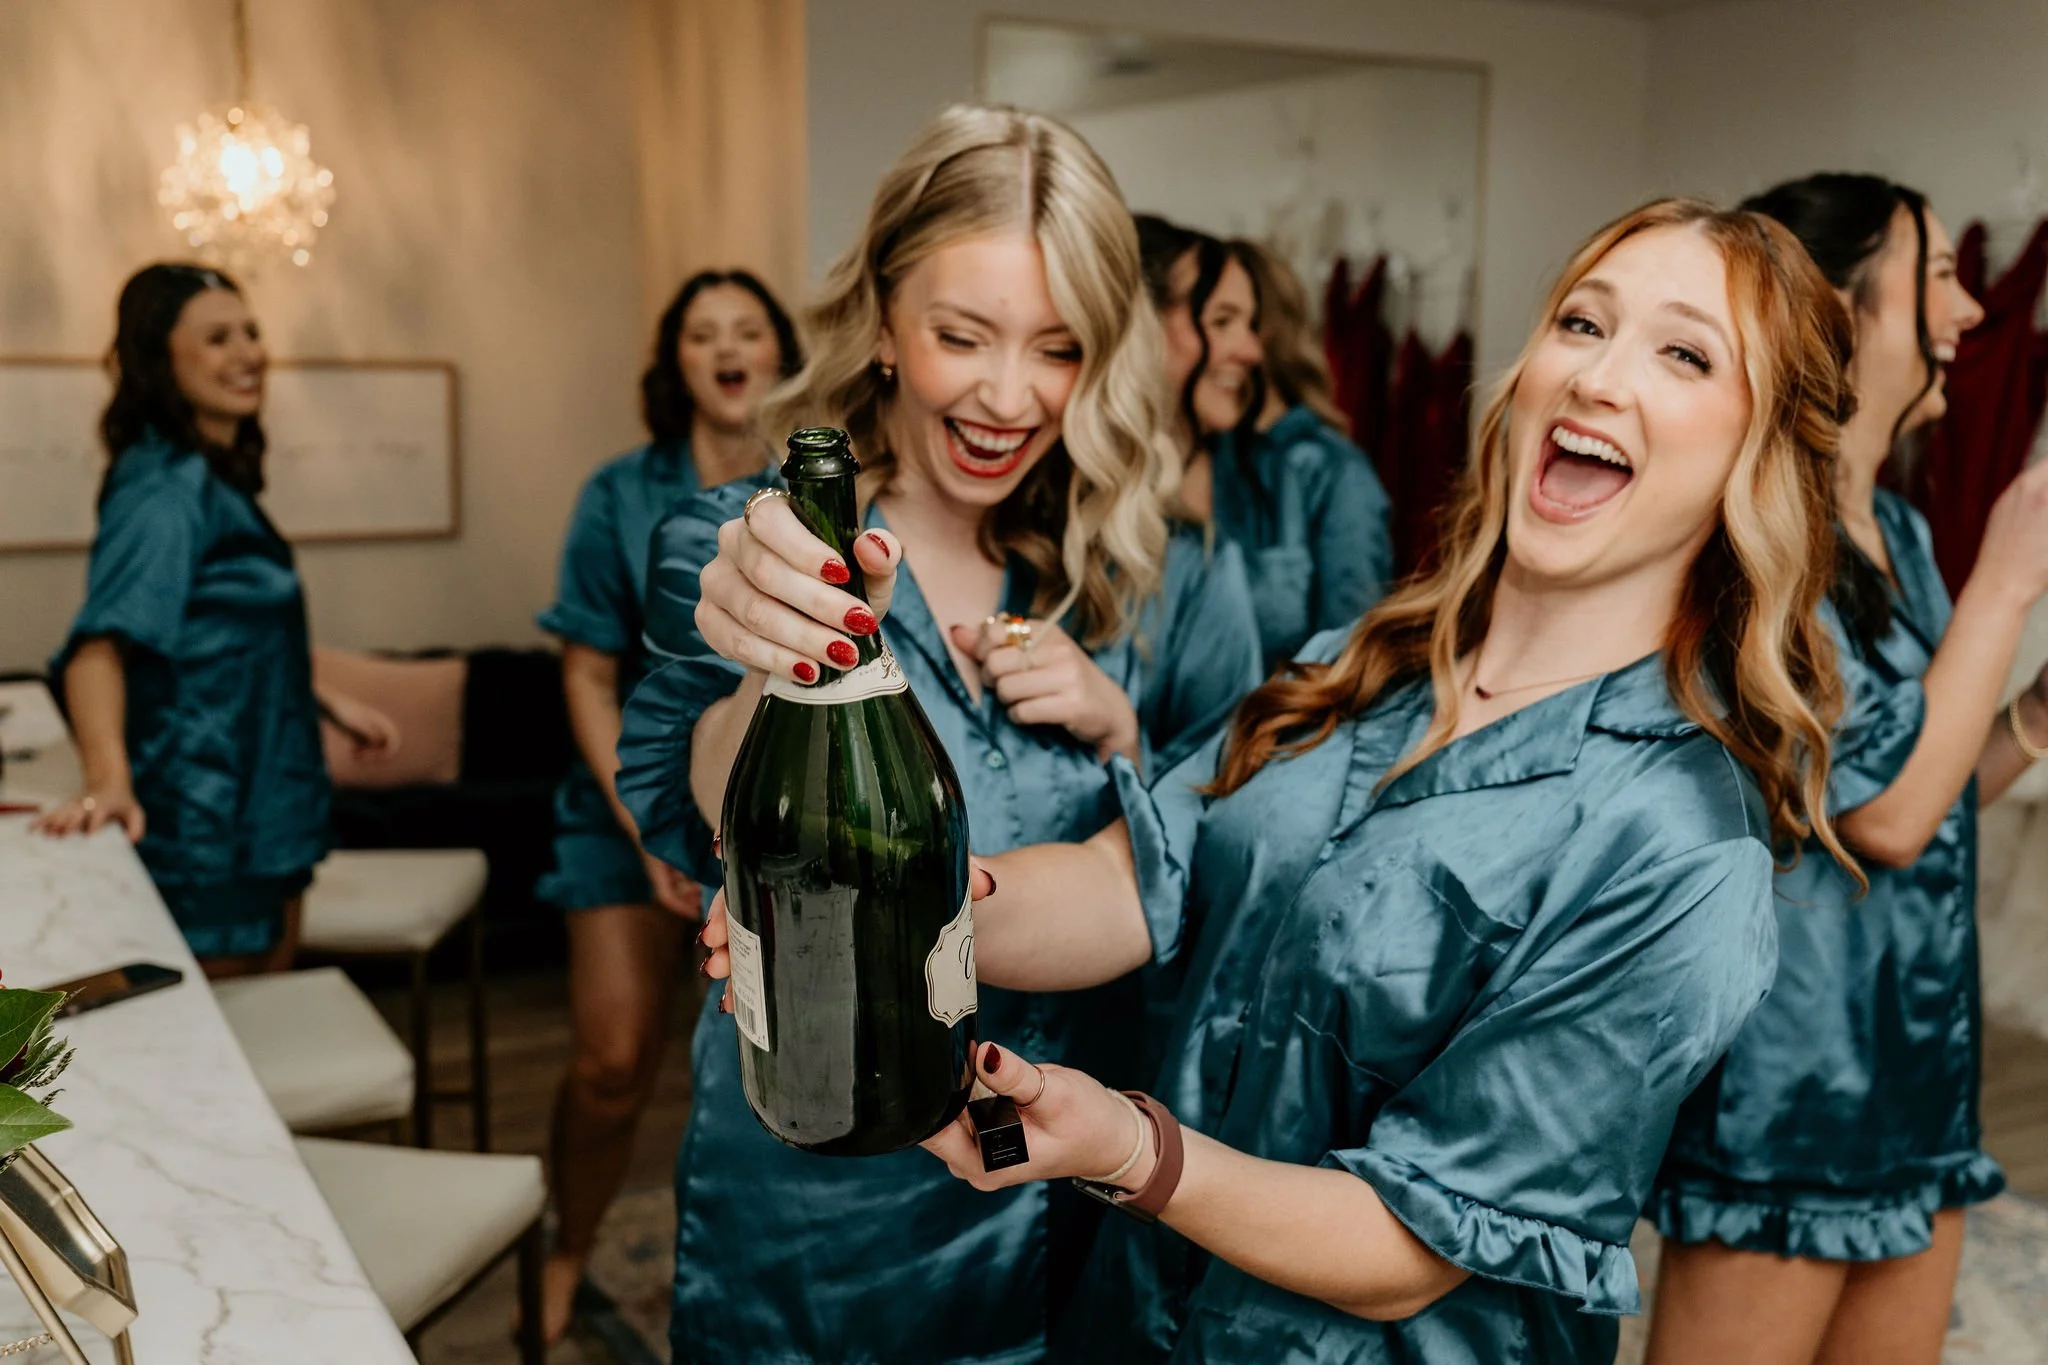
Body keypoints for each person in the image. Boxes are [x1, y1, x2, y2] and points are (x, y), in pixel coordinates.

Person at [698, 196, 1862, 1360]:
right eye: (1579, 324)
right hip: (1137, 1318)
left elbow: (1414, 1240)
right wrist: (878, 916)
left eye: (1681, 354)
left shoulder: (1678, 848)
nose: (1596, 379)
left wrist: (1126, 1148)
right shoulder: (1346, 669)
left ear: (1755, 458)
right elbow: (1130, 882)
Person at [613, 105, 1262, 1364]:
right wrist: (779, 642)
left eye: (1057, 349)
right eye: (961, 335)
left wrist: (1123, 727)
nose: (1006, 396)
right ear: (883, 325)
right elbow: (700, 786)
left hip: (1074, 1165)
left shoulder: (1169, 577)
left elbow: (1228, 850)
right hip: (821, 1186)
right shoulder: (737, 540)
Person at [1650, 174, 2048, 1365]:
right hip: (1795, 1083)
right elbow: (1875, 817)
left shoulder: (1901, 532)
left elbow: (1927, 794)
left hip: (1917, 1061)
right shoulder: (1761, 540)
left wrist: (2032, 708)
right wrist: (2010, 576)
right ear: (1832, 304)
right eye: (1934, 276)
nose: (1969, 310)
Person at [531, 268, 801, 1342]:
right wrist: (645, 819)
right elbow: (586, 673)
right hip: (615, 815)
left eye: (747, 330)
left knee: (743, 1077)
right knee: (612, 1061)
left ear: (782, 355)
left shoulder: (812, 491)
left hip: (759, 830)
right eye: (702, 333)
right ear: (676, 360)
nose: (727, 348)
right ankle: (561, 1246)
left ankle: (737, 1286)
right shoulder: (617, 492)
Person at [35, 263, 396, 978]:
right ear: (160, 359)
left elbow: (221, 630)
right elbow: (98, 649)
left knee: (269, 1011)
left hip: (261, 795)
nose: (249, 354)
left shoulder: (208, 475)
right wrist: (109, 779)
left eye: (252, 333)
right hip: (208, 813)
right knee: (237, 1041)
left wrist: (324, 696)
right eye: (218, 338)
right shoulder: (167, 488)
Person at [1139, 218, 1393, 668]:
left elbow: (1354, 664)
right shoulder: (1114, 475)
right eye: (1222, 321)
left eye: (1253, 325)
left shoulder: (1310, 470)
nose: (1249, 350)